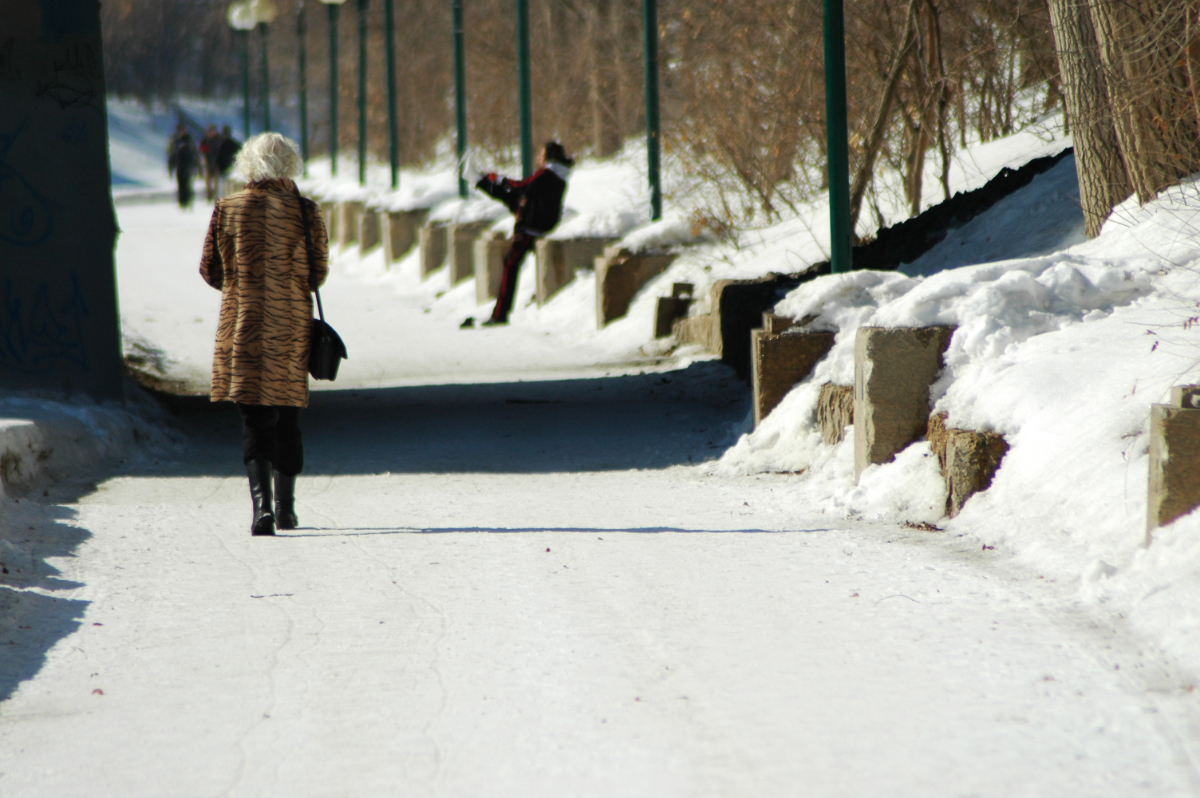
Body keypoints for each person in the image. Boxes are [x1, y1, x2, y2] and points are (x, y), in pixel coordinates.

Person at [199, 133, 329, 537]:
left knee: (254, 418)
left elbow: (209, 269)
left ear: (247, 164)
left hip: (245, 324)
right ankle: (287, 509)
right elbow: (319, 273)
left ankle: (262, 511)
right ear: (291, 165)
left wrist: (244, 282)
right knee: (287, 415)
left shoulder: (228, 208)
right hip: (290, 326)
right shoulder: (306, 212)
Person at [472, 141, 574, 326]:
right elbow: (525, 190)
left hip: (532, 225)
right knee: (509, 197)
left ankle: (500, 315)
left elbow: (521, 186)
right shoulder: (558, 175)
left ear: (548, 156)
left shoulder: (547, 173)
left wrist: (500, 179)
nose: (538, 157)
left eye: (541, 153)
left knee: (510, 264)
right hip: (538, 220)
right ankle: (479, 181)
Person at [167, 122, 198, 209]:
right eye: (180, 130)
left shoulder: (188, 139)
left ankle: (189, 201)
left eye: (183, 130)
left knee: (188, 184)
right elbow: (171, 154)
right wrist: (170, 167)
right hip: (179, 166)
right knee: (181, 185)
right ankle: (182, 202)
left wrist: (196, 166)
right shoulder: (175, 141)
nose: (182, 132)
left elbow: (194, 153)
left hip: (188, 165)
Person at [215, 126, 241, 198]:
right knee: (226, 185)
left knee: (223, 186)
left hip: (224, 167)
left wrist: (216, 165)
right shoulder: (232, 143)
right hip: (228, 166)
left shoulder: (221, 143)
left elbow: (218, 156)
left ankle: (223, 199)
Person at [198, 124, 223, 202]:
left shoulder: (218, 139)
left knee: (216, 180)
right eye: (209, 131)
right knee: (208, 180)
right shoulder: (205, 141)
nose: (211, 133)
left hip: (216, 162)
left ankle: (216, 195)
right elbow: (201, 150)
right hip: (208, 162)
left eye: (212, 131)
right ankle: (209, 195)